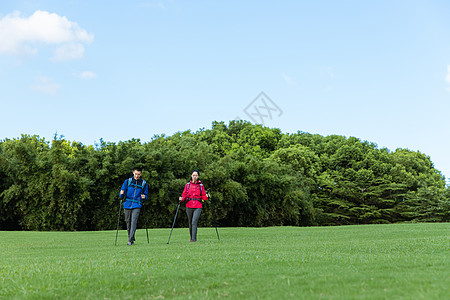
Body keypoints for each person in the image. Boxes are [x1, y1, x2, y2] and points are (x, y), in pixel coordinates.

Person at [120, 167, 148, 246]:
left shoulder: (144, 183)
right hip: (127, 204)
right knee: (128, 222)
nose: (136, 176)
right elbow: (122, 192)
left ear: (141, 174)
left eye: (138, 174)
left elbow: (146, 194)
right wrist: (121, 193)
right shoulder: (128, 181)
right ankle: (131, 237)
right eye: (135, 174)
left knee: (134, 222)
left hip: (137, 204)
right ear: (133, 173)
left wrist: (144, 197)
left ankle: (130, 240)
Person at [179, 170, 209, 242]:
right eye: (193, 175)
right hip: (189, 205)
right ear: (191, 176)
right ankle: (191, 237)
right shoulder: (188, 185)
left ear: (198, 176)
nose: (195, 177)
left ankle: (193, 239)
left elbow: (203, 196)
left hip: (198, 206)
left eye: (196, 175)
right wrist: (182, 198)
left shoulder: (201, 186)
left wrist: (207, 196)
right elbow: (184, 194)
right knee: (190, 222)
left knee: (194, 222)